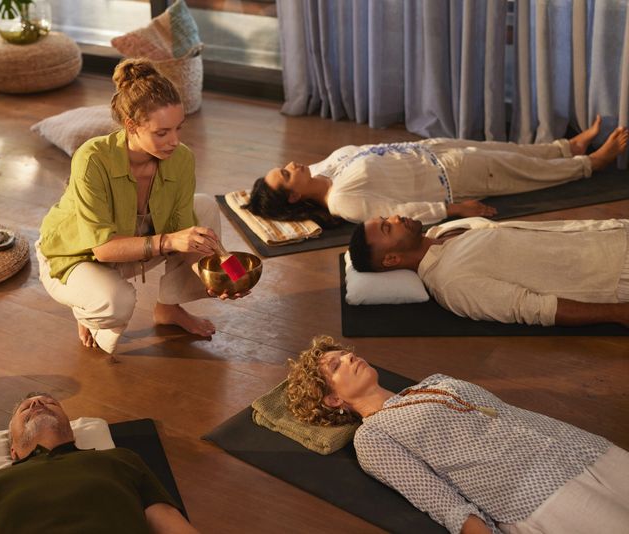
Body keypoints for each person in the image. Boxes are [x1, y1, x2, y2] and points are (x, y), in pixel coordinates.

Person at [286, 335, 629, 534]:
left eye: (344, 353)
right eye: (336, 365)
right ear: (334, 399)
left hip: (580, 448)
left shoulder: (434, 382)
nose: (349, 356)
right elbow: (441, 501)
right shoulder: (373, 437)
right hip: (535, 493)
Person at [37, 58, 247, 354]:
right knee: (115, 302)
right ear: (131, 126)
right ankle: (85, 306)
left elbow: (183, 233)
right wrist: (173, 239)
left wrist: (221, 278)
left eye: (178, 128)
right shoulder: (92, 158)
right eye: (162, 133)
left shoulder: (182, 158)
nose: (174, 141)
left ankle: (168, 309)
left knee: (205, 209)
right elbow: (103, 249)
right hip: (77, 255)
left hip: (136, 246)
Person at [243, 118, 629, 226]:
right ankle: (589, 165)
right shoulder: (343, 202)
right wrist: (455, 210)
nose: (292, 165)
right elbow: (401, 212)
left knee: (508, 149)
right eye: (286, 174)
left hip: (430, 151)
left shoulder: (322, 169)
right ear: (295, 195)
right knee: (519, 169)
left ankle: (568, 147)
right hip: (449, 179)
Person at [0, 393, 197, 534]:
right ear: (12, 448)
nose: (37, 403)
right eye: (26, 408)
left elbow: (165, 518)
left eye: (50, 402)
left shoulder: (118, 459)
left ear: (72, 431)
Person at [348, 214, 629, 328]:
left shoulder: (441, 230)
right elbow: (534, 308)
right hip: (614, 269)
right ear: (391, 260)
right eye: (387, 227)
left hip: (609, 230)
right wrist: (618, 314)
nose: (396, 217)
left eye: (387, 217)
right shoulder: (452, 283)